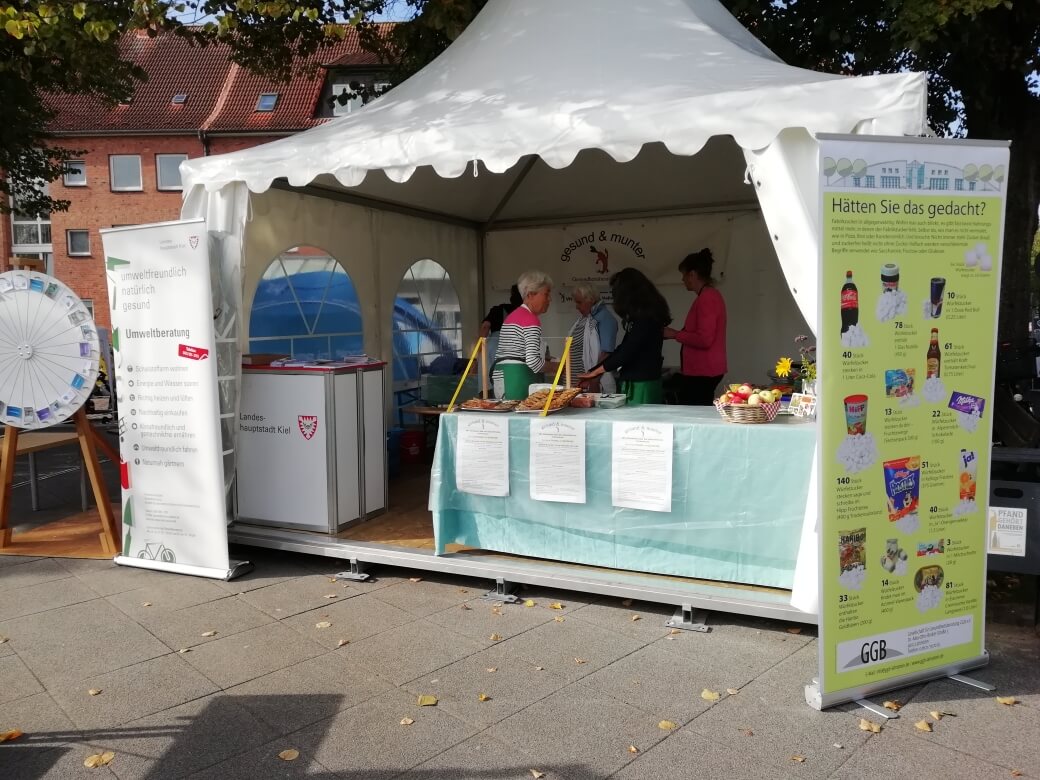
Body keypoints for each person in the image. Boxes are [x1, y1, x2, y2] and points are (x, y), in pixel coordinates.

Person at [579, 268, 670, 405]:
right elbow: (623, 348)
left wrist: (595, 372)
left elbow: (627, 351)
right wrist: (594, 371)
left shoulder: (645, 319)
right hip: (638, 381)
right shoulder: (642, 317)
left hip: (641, 385)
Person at [664, 248, 727, 405]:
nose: (683, 279)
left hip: (704, 371)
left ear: (692, 274)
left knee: (696, 412)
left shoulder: (707, 298)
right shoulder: (709, 296)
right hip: (704, 370)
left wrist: (675, 334)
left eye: (683, 275)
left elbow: (705, 339)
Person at [492, 271, 553, 399]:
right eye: (546, 294)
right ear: (531, 294)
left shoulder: (511, 317)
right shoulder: (531, 320)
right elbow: (533, 362)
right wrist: (558, 367)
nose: (549, 299)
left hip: (501, 378)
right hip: (518, 381)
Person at [567, 285, 618, 393]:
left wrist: (594, 381)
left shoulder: (605, 318)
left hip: (592, 385)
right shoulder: (585, 318)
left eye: (579, 302)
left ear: (591, 300)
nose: (576, 307)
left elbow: (606, 354)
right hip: (578, 383)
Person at [479, 285, 522, 382]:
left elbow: (485, 327)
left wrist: (480, 349)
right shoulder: (523, 312)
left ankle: (488, 395)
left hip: (492, 345)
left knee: (487, 379)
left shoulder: (498, 309)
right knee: (507, 379)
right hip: (512, 346)